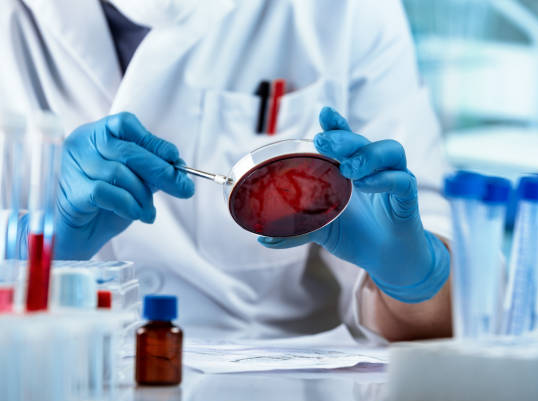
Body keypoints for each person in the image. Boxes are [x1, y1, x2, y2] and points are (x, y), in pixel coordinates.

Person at [1, 0, 453, 343]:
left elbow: (441, 320)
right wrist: (29, 257)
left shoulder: (350, 12)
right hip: (46, 365)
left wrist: (413, 275)